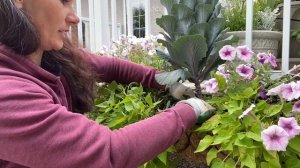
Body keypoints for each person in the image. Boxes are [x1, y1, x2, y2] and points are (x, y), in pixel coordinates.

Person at [0, 0, 214, 167]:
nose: (75, 18)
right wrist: (189, 110)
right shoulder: (7, 95)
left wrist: (166, 82)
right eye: (64, 1)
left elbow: (112, 67)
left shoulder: (50, 56)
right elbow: (109, 153)